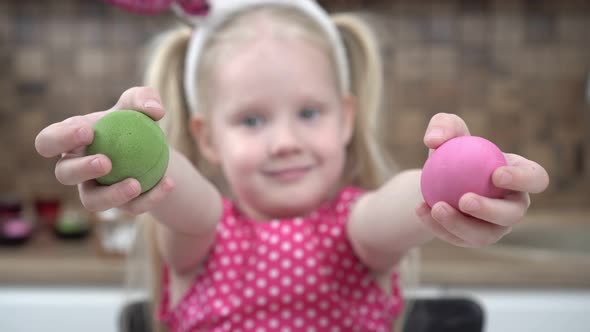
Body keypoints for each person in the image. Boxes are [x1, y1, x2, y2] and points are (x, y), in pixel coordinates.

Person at [34, 1, 550, 331]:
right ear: (208, 138)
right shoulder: (207, 235)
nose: (284, 142)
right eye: (252, 120)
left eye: (308, 112)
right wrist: (131, 145)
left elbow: (401, 205)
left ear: (346, 118)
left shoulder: (355, 232)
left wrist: (447, 185)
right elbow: (175, 192)